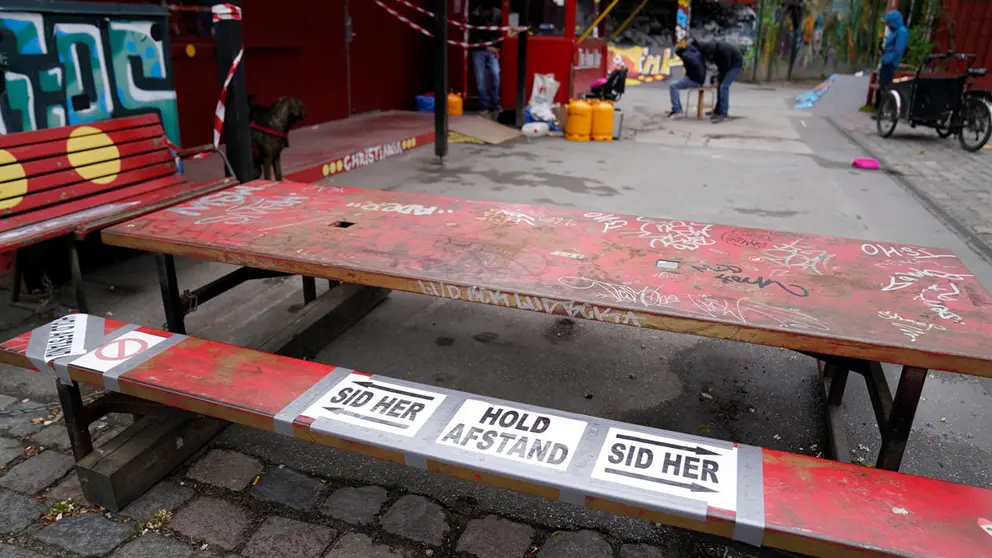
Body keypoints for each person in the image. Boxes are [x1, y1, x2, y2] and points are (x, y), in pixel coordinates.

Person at [695, 40, 744, 122]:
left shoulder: (724, 50)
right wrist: (715, 78)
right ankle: (718, 110)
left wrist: (719, 79)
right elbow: (719, 67)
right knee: (719, 86)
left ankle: (724, 113)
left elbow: (726, 68)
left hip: (735, 65)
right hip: (726, 66)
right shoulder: (711, 50)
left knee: (724, 86)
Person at [469, 1, 502, 119]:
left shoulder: (498, 15)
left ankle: (495, 104)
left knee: (495, 73)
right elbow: (472, 36)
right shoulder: (474, 15)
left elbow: (500, 32)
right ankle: (483, 106)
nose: (486, 14)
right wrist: (487, 46)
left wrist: (497, 48)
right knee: (480, 79)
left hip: (493, 49)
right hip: (479, 50)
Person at [874, 10, 908, 118]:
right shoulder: (894, 31)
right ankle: (879, 109)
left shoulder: (901, 32)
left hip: (891, 64)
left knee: (887, 87)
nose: (888, 25)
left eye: (889, 23)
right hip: (886, 62)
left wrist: (889, 60)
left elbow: (898, 50)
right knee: (882, 86)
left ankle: (884, 111)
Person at [667, 44, 707, 119]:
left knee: (673, 86)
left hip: (694, 80)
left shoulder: (686, 56)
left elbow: (694, 67)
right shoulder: (695, 52)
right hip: (699, 79)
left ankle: (677, 110)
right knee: (674, 84)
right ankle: (677, 108)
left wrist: (690, 76)